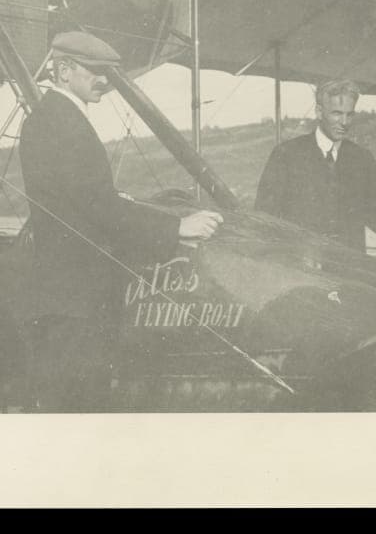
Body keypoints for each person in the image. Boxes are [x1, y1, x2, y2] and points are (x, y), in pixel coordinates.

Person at [18, 30, 223, 412]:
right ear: (64, 71)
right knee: (77, 412)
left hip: (70, 298)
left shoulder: (52, 118)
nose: (104, 81)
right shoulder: (62, 122)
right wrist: (177, 227)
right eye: (95, 71)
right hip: (76, 304)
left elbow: (81, 201)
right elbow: (97, 206)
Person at [255, 78, 376, 258]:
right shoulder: (287, 154)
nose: (343, 122)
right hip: (301, 270)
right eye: (336, 113)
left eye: (349, 115)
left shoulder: (362, 159)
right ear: (318, 112)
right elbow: (265, 217)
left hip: (352, 271)